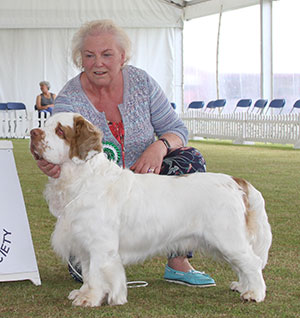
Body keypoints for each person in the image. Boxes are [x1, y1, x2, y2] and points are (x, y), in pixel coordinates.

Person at [34, 19, 215, 287]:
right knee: (82, 270)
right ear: (79, 60)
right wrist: (50, 165)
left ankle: (178, 261)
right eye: (89, 55)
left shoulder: (142, 82)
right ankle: (109, 255)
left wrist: (159, 147)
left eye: (107, 54)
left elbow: (177, 130)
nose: (98, 63)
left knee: (190, 160)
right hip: (98, 196)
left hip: (146, 183)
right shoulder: (68, 100)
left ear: (122, 57)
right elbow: (57, 153)